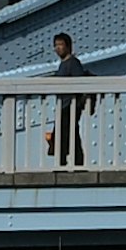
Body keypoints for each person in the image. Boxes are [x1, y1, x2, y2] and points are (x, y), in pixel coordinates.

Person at [47, 28, 91, 168]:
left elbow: (80, 83)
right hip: (64, 106)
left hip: (71, 106)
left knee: (67, 134)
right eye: (56, 45)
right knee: (69, 135)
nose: (57, 48)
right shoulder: (62, 64)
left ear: (68, 46)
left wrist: (78, 104)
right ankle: (72, 163)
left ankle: (66, 163)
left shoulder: (73, 63)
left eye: (60, 44)